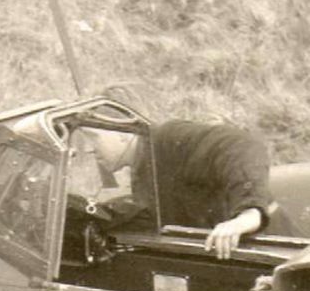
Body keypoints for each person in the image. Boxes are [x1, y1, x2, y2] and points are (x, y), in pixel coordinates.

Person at [71, 85, 299, 259]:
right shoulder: (144, 167)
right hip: (235, 258)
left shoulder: (167, 139)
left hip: (275, 253)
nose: (89, 149)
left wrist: (248, 214)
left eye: (94, 137)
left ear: (122, 131)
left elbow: (240, 145)